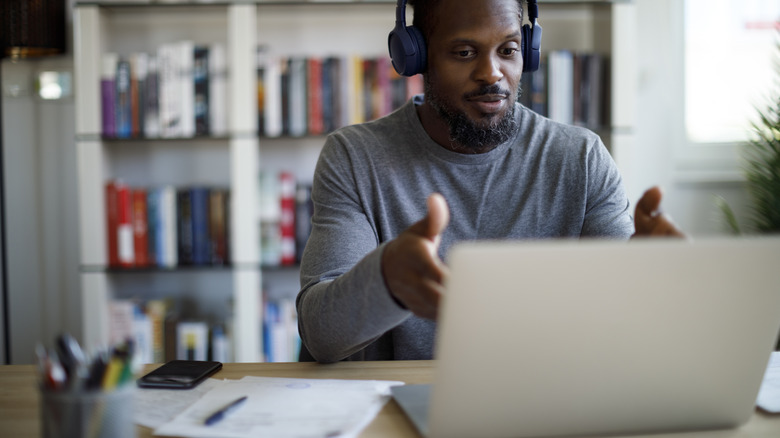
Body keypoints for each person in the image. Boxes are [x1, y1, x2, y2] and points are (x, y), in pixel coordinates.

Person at [296, 0, 684, 363]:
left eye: (508, 50)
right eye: (465, 52)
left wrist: (649, 280)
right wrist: (385, 278)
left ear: (527, 52)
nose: (492, 73)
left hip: (547, 403)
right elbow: (320, 335)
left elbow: (619, 328)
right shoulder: (355, 157)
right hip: (402, 407)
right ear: (417, 55)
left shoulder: (581, 159)